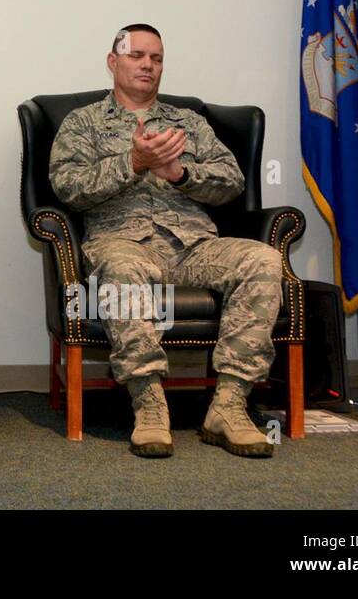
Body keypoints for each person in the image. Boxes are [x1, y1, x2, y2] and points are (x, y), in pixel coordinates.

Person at [49, 24, 283, 458]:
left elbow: (232, 181)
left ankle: (229, 406)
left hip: (194, 246)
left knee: (263, 260)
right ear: (112, 61)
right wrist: (133, 162)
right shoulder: (83, 123)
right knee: (120, 269)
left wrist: (181, 174)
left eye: (156, 58)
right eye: (137, 55)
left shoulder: (188, 123)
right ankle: (150, 403)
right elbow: (68, 188)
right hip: (122, 242)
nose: (147, 65)